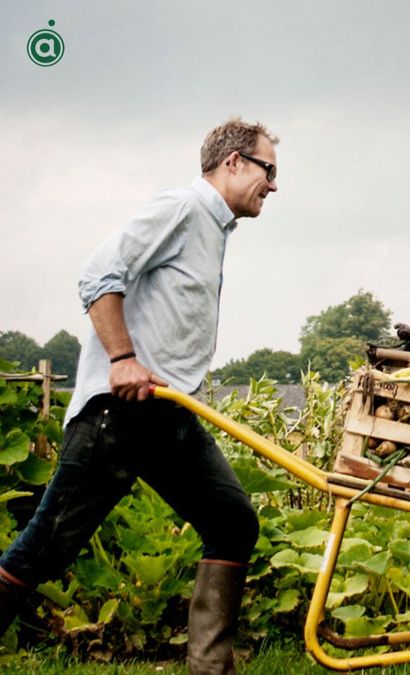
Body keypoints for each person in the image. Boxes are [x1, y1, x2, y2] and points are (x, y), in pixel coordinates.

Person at [0, 118, 279, 674]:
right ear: (232, 162)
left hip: (169, 414)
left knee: (232, 522)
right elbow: (98, 273)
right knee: (46, 547)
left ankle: (210, 669)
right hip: (119, 414)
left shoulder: (214, 228)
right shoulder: (182, 208)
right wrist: (123, 359)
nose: (273, 185)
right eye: (267, 170)